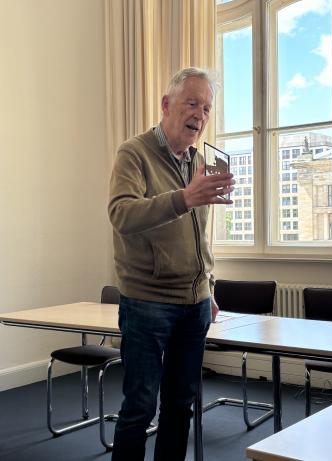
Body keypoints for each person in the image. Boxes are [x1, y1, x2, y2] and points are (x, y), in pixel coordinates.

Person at [108, 67, 235, 461]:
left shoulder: (200, 160)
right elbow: (122, 214)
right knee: (139, 408)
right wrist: (185, 197)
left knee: (181, 407)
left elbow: (200, 236)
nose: (200, 114)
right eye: (192, 103)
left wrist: (207, 286)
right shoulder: (134, 152)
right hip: (147, 303)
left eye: (207, 108)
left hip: (194, 304)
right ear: (167, 105)